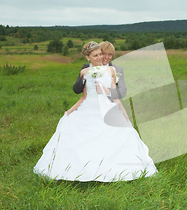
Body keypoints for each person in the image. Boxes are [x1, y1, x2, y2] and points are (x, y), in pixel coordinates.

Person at [34, 42, 158, 182]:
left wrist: (123, 113)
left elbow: (116, 97)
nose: (100, 57)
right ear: (88, 57)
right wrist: (70, 110)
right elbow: (83, 96)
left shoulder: (111, 70)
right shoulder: (84, 73)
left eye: (101, 54)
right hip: (88, 109)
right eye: (96, 55)